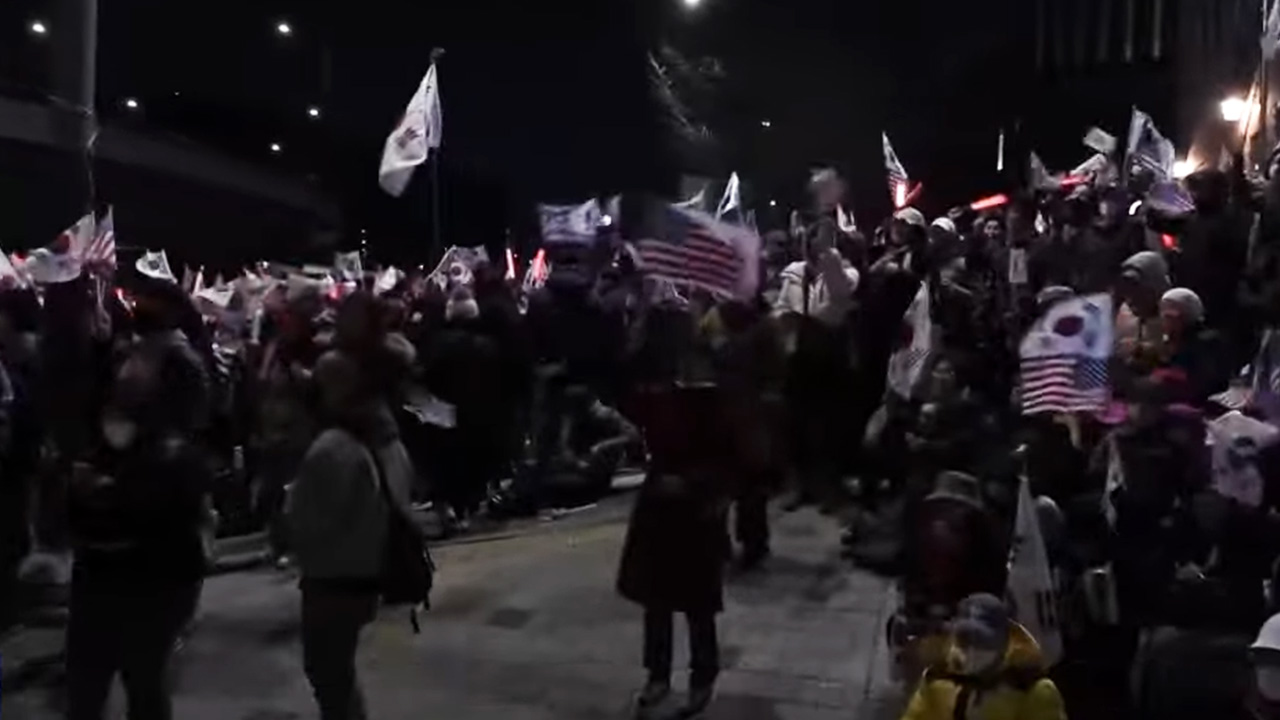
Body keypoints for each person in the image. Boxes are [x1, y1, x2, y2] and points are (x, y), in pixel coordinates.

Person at [65, 275, 212, 720]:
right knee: (87, 680)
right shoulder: (126, 365)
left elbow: (169, 486)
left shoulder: (181, 369)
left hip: (152, 569)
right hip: (102, 564)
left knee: (143, 679)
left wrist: (109, 490)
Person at [287, 349, 416, 720]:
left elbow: (312, 522)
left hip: (337, 574)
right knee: (335, 673)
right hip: (365, 568)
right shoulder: (381, 436)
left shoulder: (334, 448)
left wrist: (291, 509)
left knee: (328, 672)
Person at [899, 593, 1067, 720]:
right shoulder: (938, 677)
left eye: (982, 642)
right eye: (964, 639)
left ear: (1001, 645)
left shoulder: (1032, 690)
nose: (971, 650)